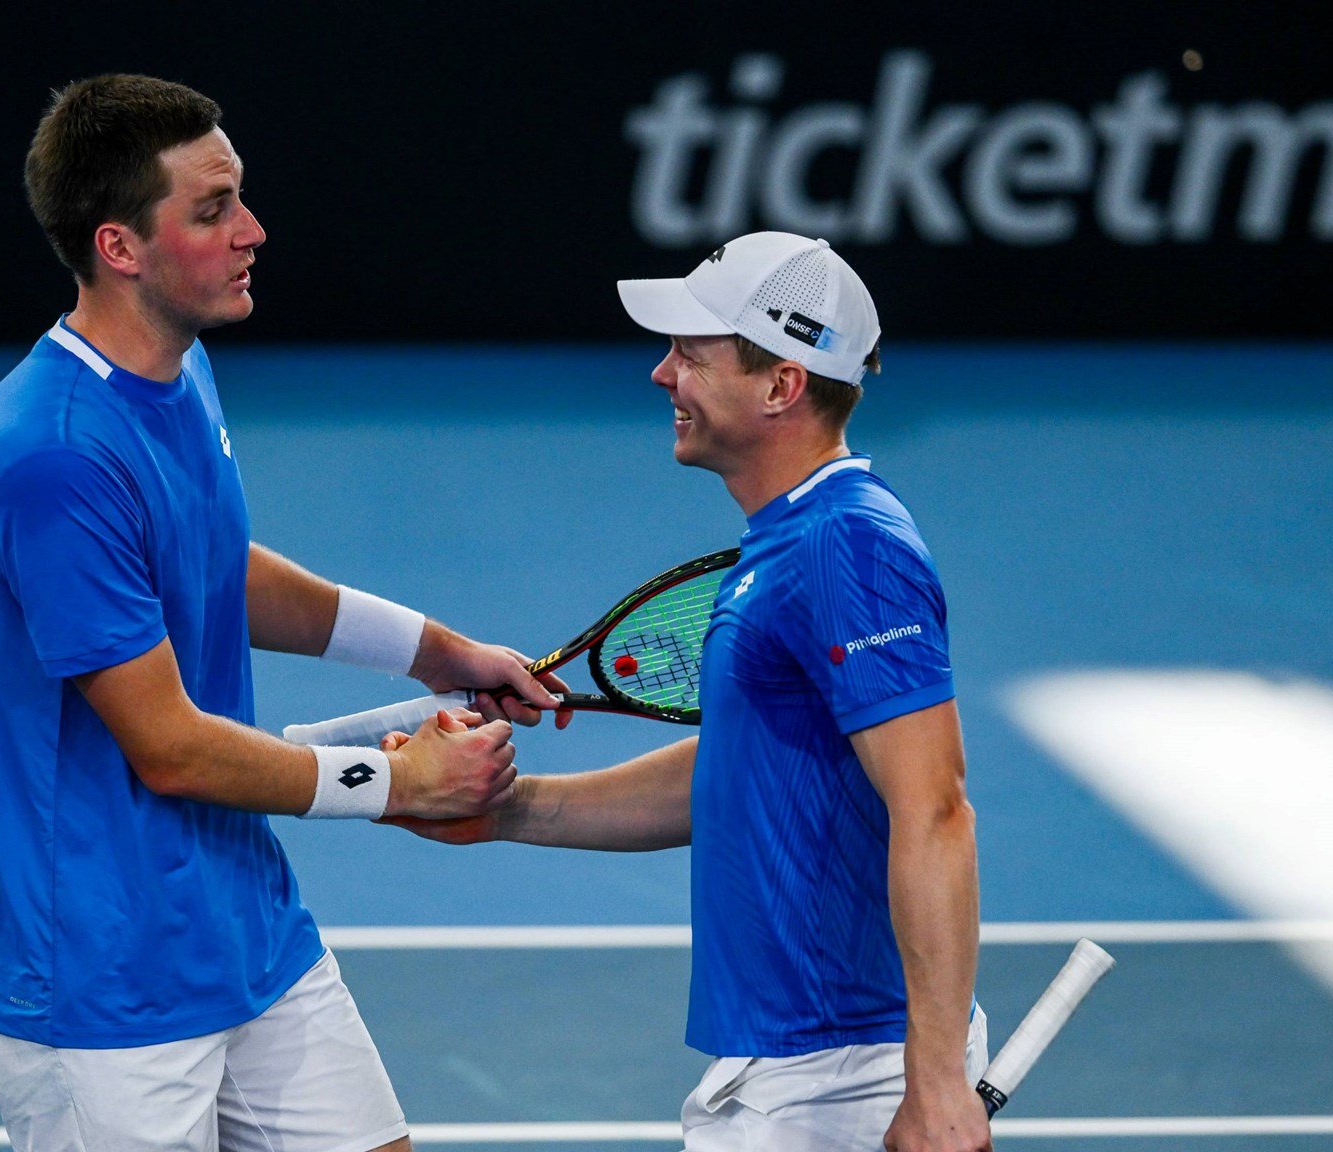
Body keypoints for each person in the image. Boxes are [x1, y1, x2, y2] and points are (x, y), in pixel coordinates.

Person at [0, 73, 566, 1152]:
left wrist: (437, 654)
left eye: (239, 198)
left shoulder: (175, 374)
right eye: (211, 210)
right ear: (119, 248)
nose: (251, 231)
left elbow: (211, 567)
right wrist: (397, 784)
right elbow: (170, 753)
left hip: (241, 920)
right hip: (101, 980)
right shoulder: (54, 452)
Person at [385, 232, 991, 1152]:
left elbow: (936, 807)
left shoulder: (849, 548)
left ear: (782, 385)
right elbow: (741, 773)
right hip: (785, 1062)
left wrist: (938, 1086)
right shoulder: (790, 543)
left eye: (692, 356)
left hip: (841, 1070)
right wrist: (508, 810)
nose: (662, 376)